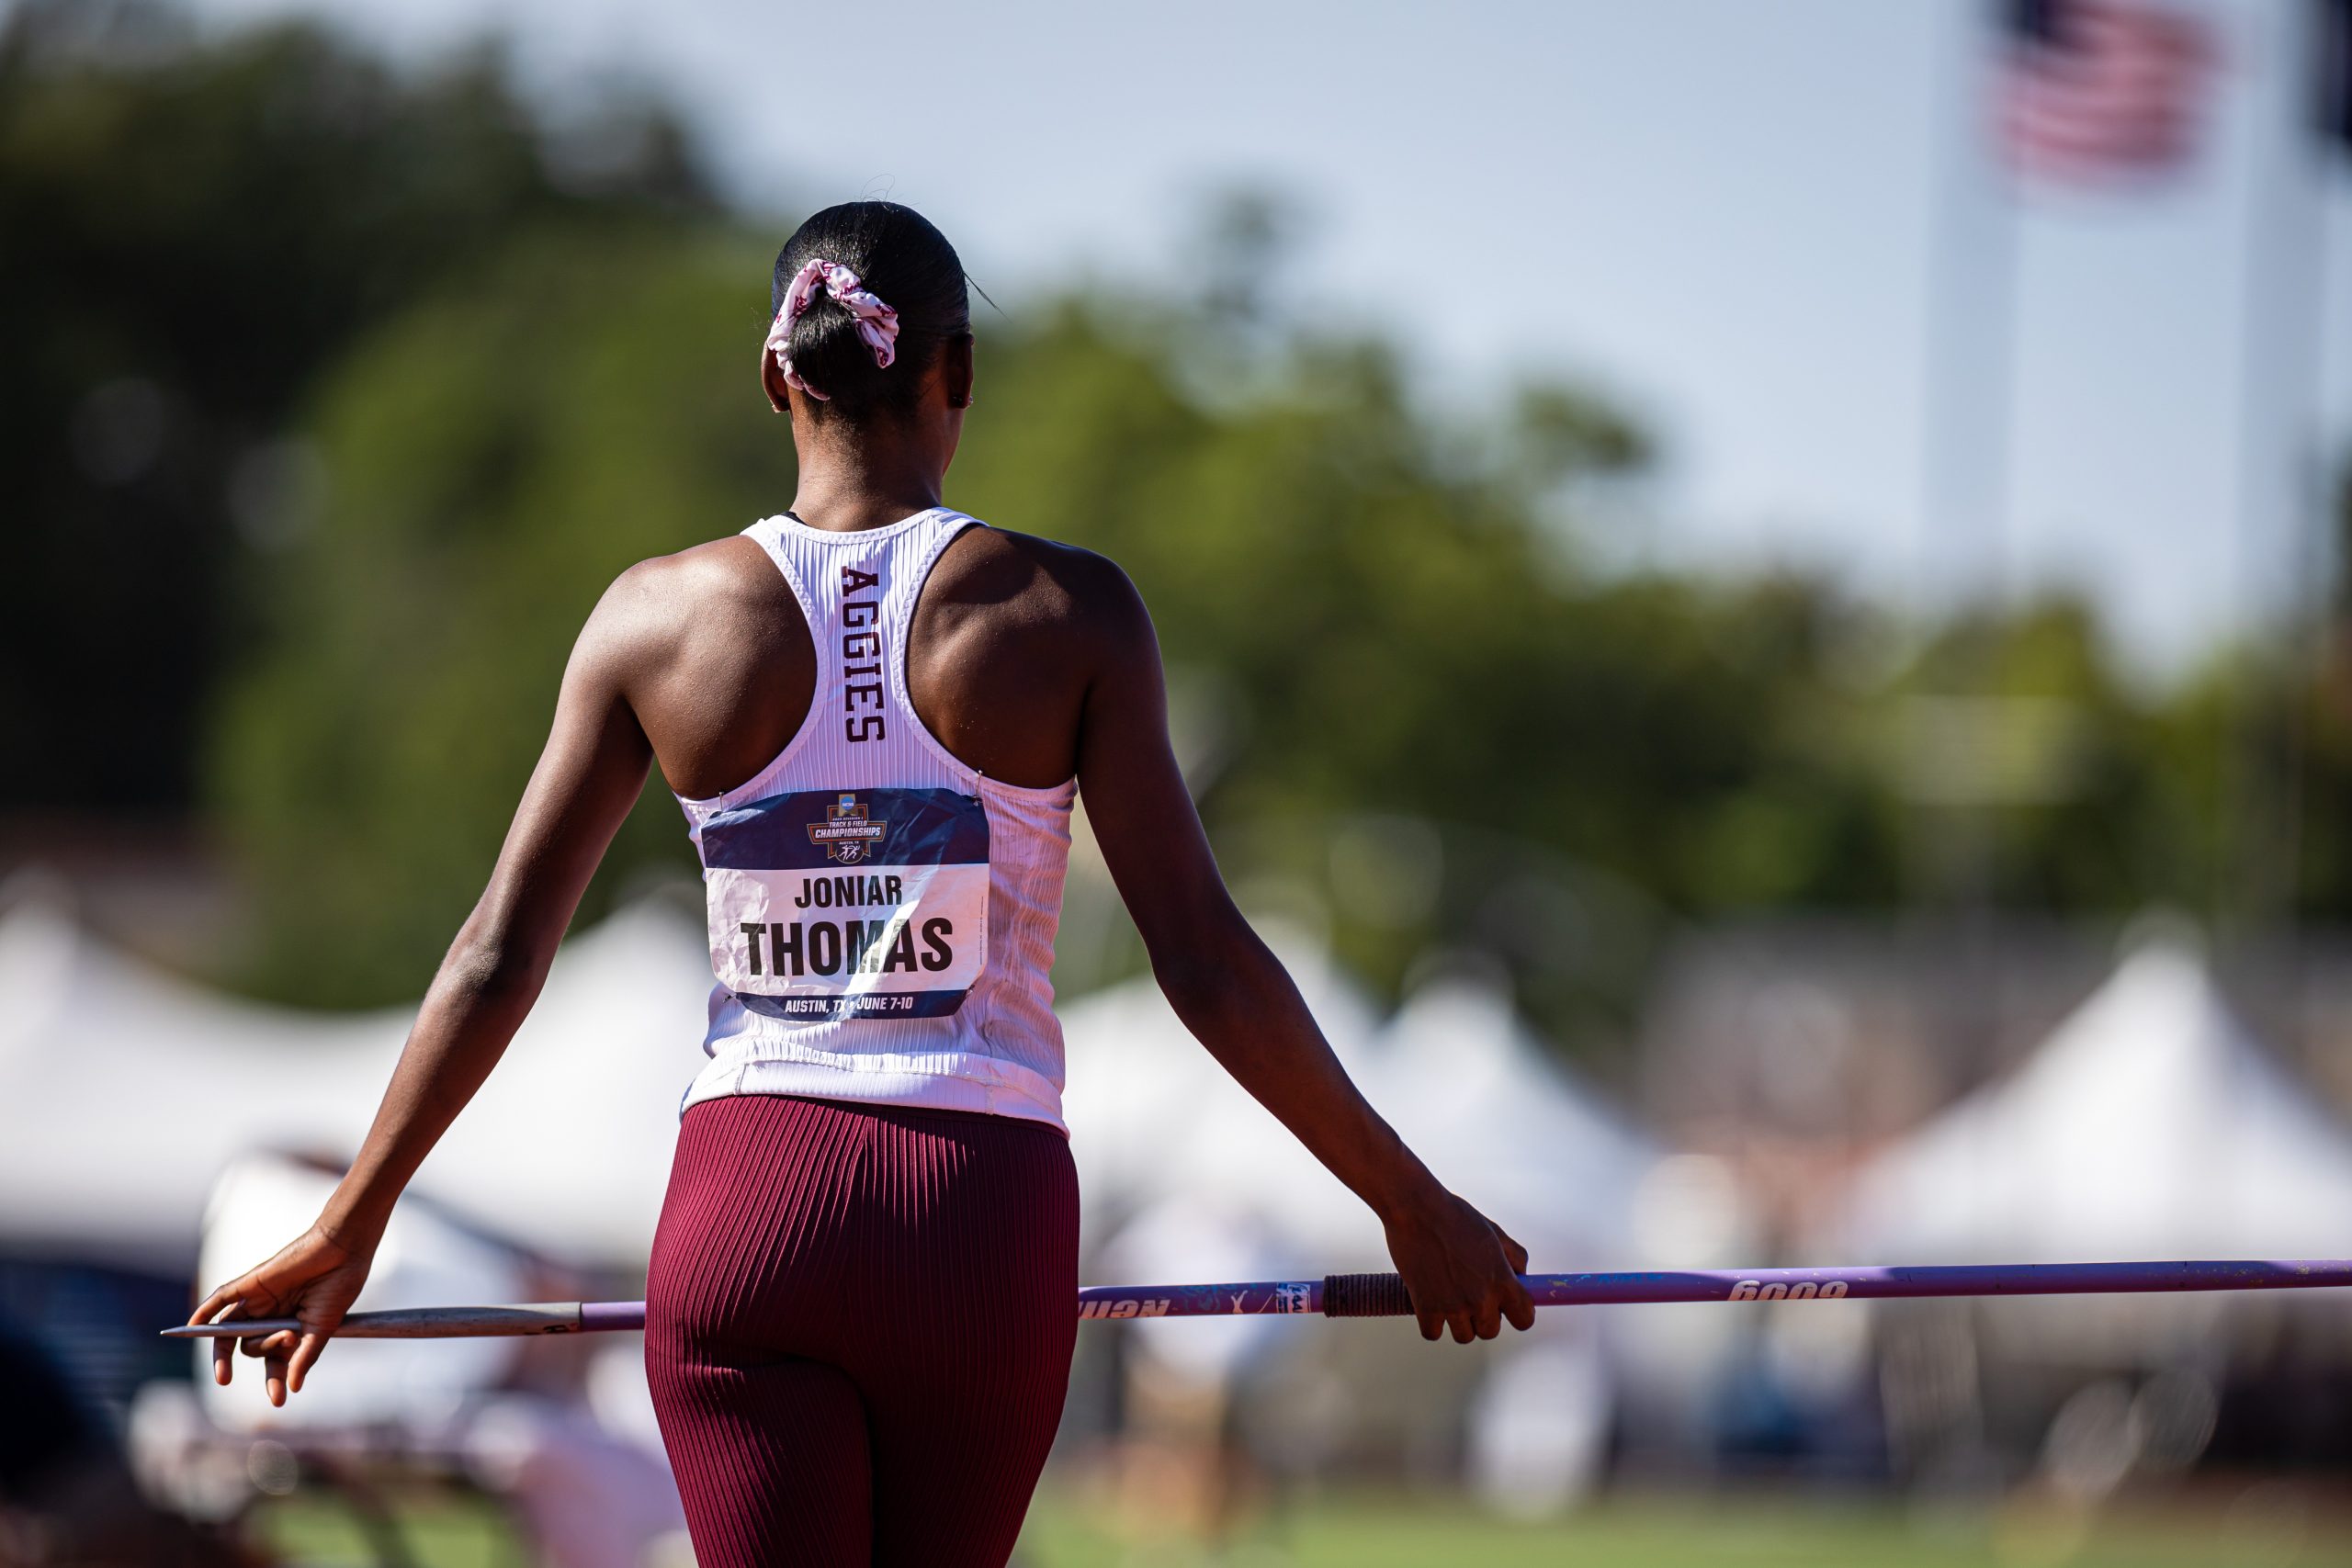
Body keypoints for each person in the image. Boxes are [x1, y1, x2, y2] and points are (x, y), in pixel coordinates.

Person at [191, 200, 1535, 1567]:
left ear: (778, 375)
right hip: (976, 1211)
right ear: (956, 373)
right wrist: (1407, 1202)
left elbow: (496, 956)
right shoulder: (1066, 616)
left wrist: (353, 1218)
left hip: (745, 1208)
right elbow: (1202, 958)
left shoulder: (651, 620)